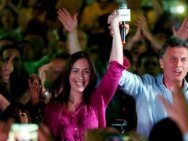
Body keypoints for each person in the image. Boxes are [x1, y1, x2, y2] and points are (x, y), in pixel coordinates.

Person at [42, 9, 126, 141]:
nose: (80, 76)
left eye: (86, 72)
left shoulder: (97, 100)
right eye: (75, 71)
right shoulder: (53, 107)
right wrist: (72, 33)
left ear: (92, 76)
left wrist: (116, 32)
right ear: (67, 74)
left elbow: (115, 69)